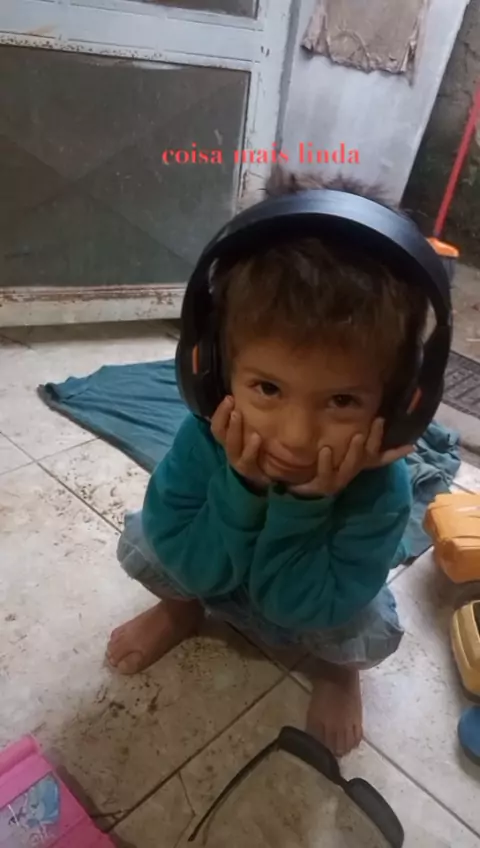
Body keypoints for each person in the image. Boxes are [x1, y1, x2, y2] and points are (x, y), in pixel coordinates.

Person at [107, 167, 427, 757]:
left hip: (312, 600)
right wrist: (241, 484)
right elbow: (188, 562)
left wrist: (309, 502)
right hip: (215, 569)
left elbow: (301, 607)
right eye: (268, 389)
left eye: (342, 400)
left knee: (367, 626)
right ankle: (179, 615)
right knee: (147, 541)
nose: (296, 438)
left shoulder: (381, 488)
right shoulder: (206, 438)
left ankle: (336, 672)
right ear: (213, 370)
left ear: (402, 402)